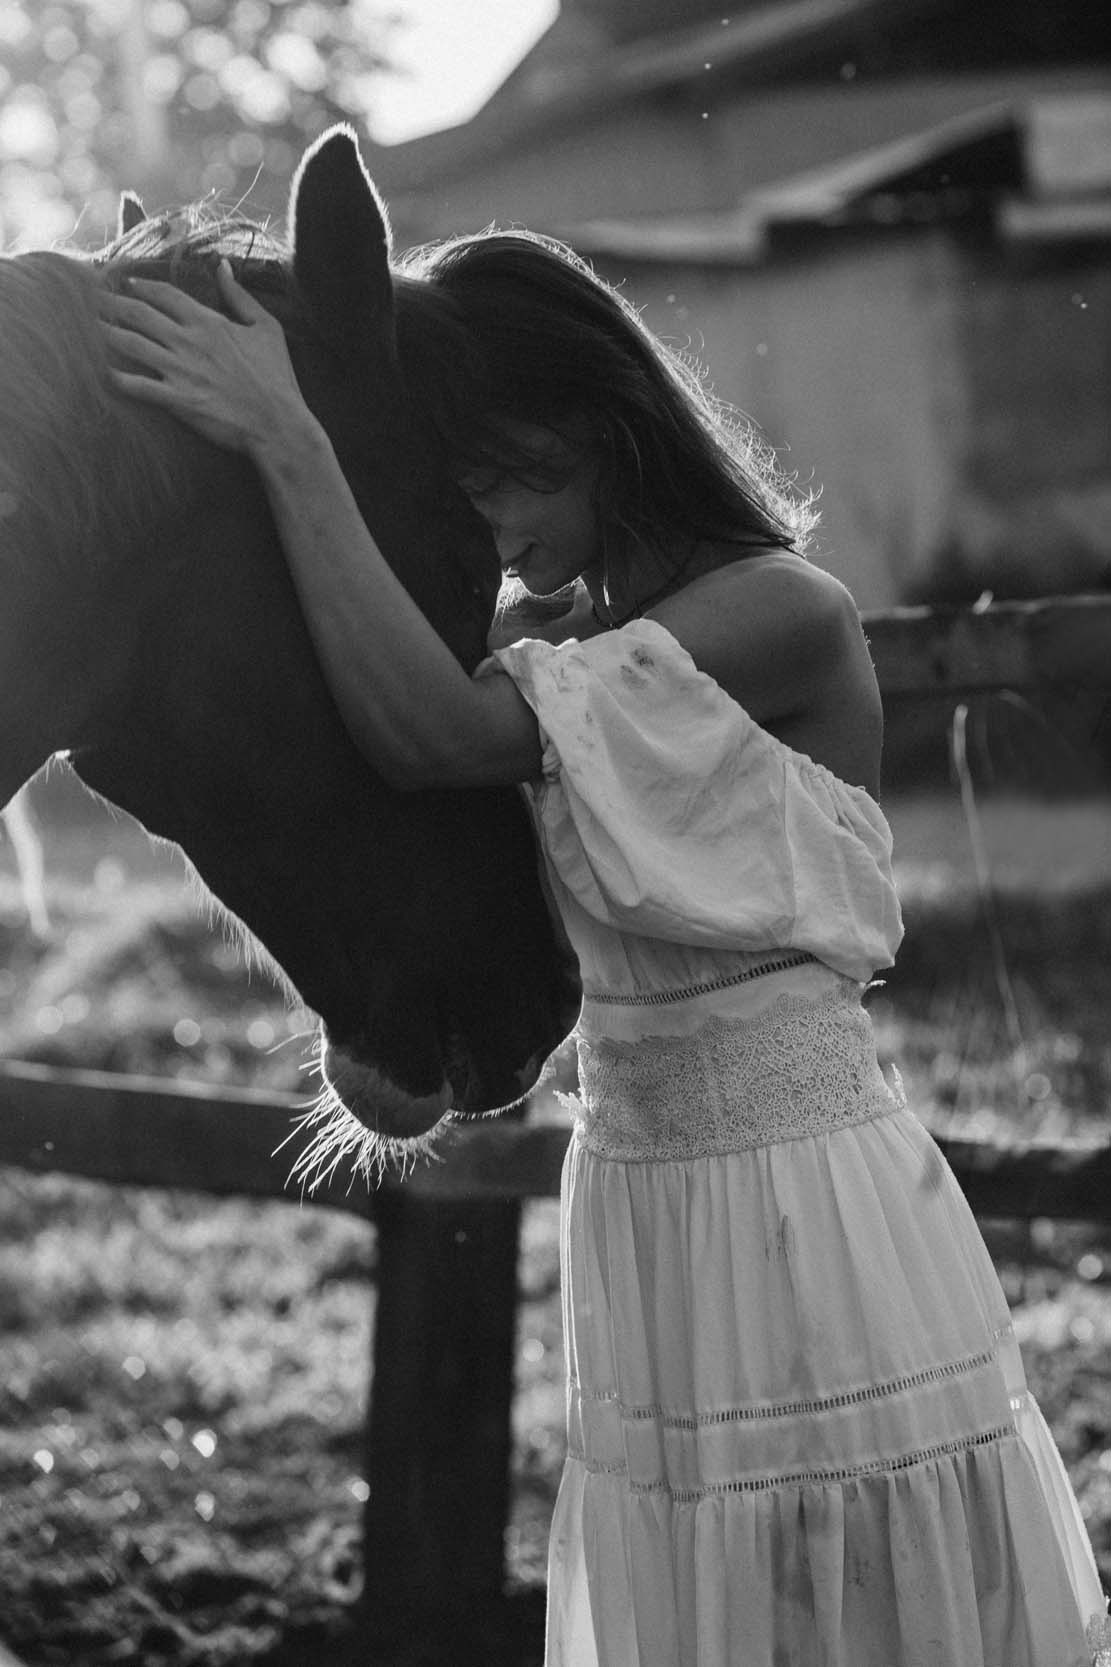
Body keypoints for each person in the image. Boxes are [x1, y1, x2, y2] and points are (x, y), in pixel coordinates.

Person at [99, 235, 1109, 1667]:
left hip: (799, 1197)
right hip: (641, 1197)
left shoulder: (778, 614)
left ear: (590, 423)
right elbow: (353, 702)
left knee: (848, 1593)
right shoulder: (572, 638)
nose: (489, 526)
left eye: (498, 479)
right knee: (701, 1600)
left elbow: (431, 734)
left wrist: (285, 437)